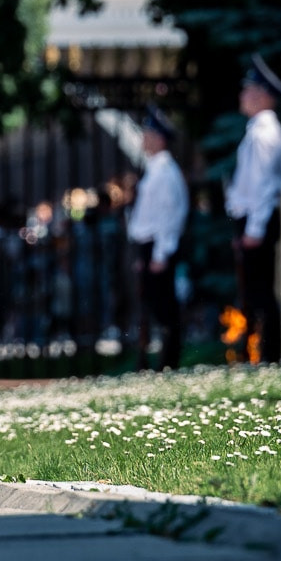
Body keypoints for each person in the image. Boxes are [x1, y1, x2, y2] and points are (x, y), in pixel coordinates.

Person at [224, 56, 281, 363]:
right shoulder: (257, 131)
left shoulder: (264, 133)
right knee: (253, 292)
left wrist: (253, 229)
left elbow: (264, 187)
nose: (241, 97)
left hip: (258, 221)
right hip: (251, 220)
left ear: (262, 95)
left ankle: (270, 355)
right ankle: (258, 353)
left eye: (247, 91)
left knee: (262, 292)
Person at [126, 109, 188, 369]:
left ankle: (168, 361)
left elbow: (169, 215)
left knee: (165, 309)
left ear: (160, 139)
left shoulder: (165, 172)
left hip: (157, 247)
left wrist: (160, 253)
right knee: (153, 306)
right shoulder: (154, 169)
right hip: (148, 247)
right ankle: (157, 360)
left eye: (148, 134)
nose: (144, 139)